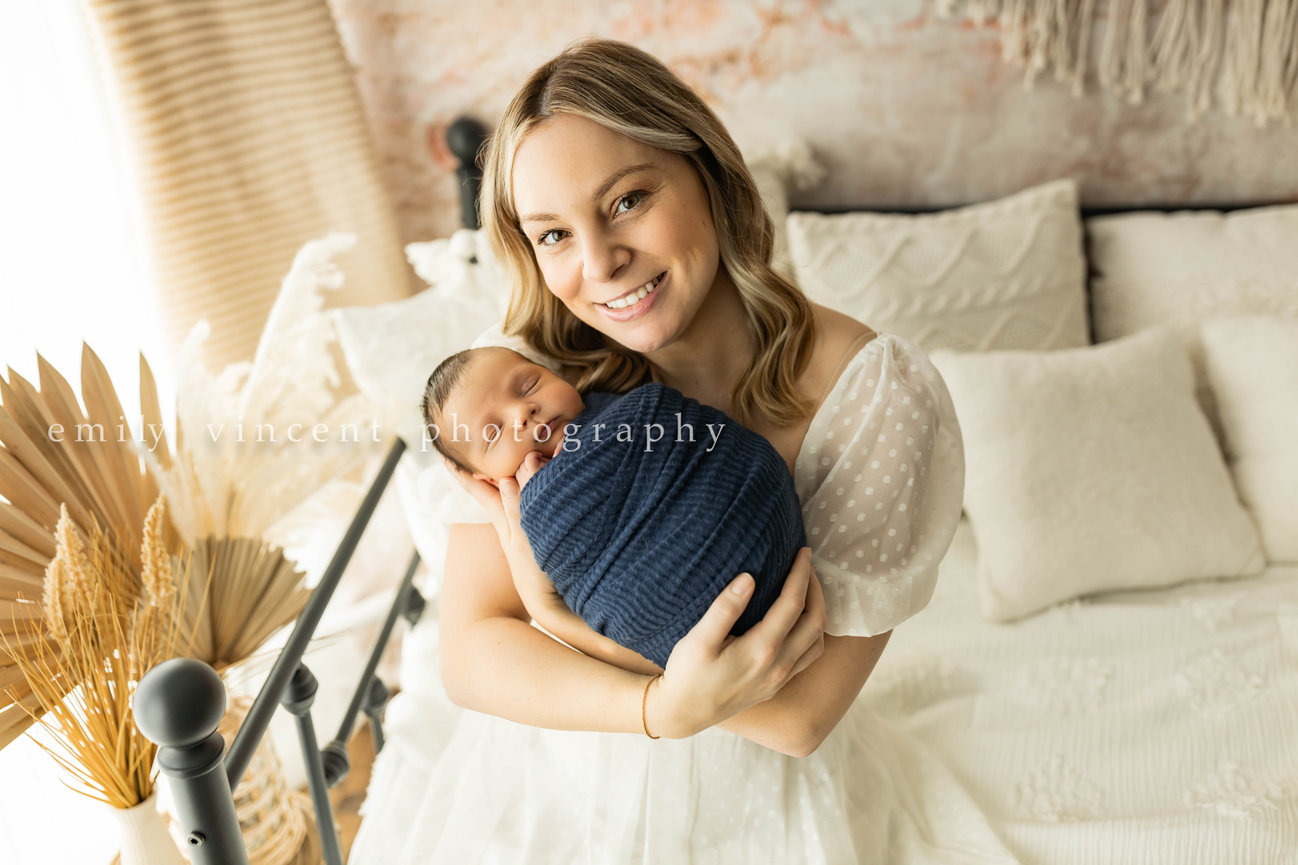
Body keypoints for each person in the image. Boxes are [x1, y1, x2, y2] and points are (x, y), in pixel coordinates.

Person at [350, 38, 1015, 863]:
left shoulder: (877, 398)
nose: (598, 264)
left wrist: (564, 622)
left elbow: (801, 718)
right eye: (553, 235)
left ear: (709, 172)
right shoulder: (530, 380)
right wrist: (654, 709)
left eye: (627, 200)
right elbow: (471, 651)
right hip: (552, 789)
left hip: (758, 812)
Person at [420, 345, 806, 668]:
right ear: (488, 480)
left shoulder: (625, 414)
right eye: (494, 432)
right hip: (673, 612)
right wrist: (542, 498)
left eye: (529, 385)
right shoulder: (522, 514)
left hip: (759, 513)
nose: (522, 413)